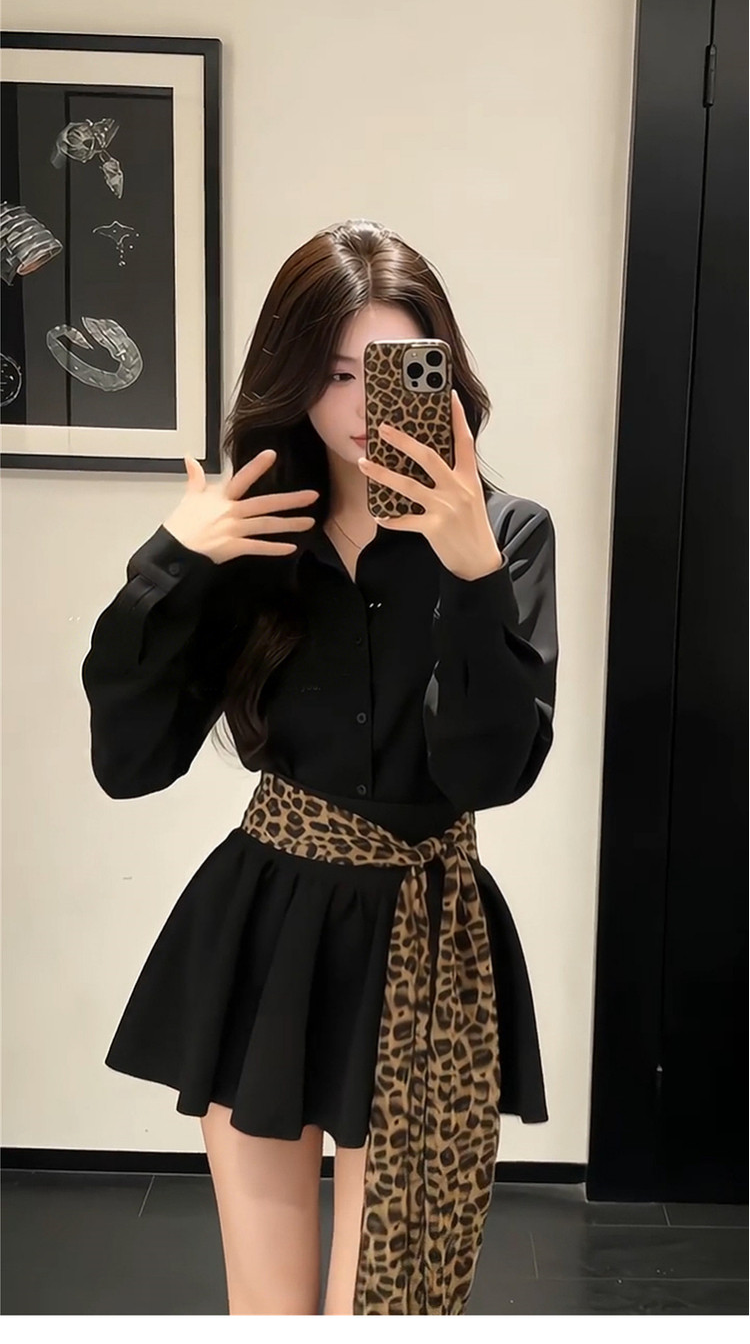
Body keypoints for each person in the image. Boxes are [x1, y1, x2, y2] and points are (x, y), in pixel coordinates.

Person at [81, 218, 559, 1316]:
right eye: (334, 372)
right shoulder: (251, 535)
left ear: (440, 372)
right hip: (270, 924)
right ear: (291, 377)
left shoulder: (508, 534)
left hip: (427, 931)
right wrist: (172, 564)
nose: (359, 404)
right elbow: (130, 761)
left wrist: (472, 572)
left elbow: (489, 771)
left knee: (383, 1310)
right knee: (269, 1308)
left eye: (390, 370)